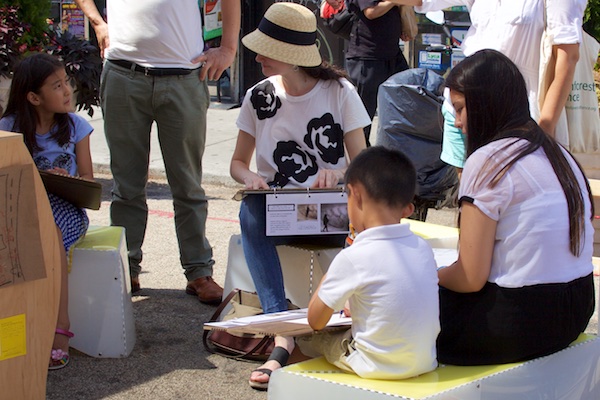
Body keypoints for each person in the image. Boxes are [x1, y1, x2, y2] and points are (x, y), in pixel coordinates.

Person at [229, 2, 369, 388]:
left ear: (292, 57)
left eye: (266, 51)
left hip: (331, 211)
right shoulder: (259, 95)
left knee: (361, 224)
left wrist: (337, 173)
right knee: (250, 212)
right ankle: (282, 330)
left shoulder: (339, 92)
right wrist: (253, 178)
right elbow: (237, 163)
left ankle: (350, 322)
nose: (256, 57)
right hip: (279, 209)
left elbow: (364, 163)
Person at [73, 0, 241, 303]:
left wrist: (229, 47)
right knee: (126, 183)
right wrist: (97, 22)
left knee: (187, 183)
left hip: (184, 75)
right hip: (124, 72)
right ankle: (126, 266)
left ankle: (198, 271)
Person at [438, 49, 595, 365]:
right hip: (577, 308)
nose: (456, 123)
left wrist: (428, 272)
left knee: (405, 295)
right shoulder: (558, 154)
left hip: (516, 322)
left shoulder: (487, 161)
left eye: (459, 109)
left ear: (484, 105)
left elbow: (470, 278)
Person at [298, 146, 440, 380]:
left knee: (301, 340)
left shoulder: (354, 256)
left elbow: (315, 320)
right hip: (424, 361)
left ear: (357, 195)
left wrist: (332, 272)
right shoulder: (422, 247)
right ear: (407, 207)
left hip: (374, 365)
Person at [0, 53, 94, 370]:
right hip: (22, 209)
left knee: (47, 233)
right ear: (33, 97)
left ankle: (59, 331)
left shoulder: (77, 127)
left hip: (66, 210)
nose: (67, 90)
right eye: (57, 85)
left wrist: (69, 181)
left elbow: (89, 182)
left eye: (66, 82)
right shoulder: (9, 127)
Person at [416, 0, 587, 167]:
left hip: (518, 118)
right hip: (463, 109)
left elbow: (567, 59)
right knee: (470, 190)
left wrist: (544, 131)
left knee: (513, 188)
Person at [325, 0, 421, 146]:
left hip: (392, 55)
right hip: (368, 57)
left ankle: (395, 152)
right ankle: (358, 158)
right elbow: (370, 12)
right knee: (363, 116)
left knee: (405, 101)